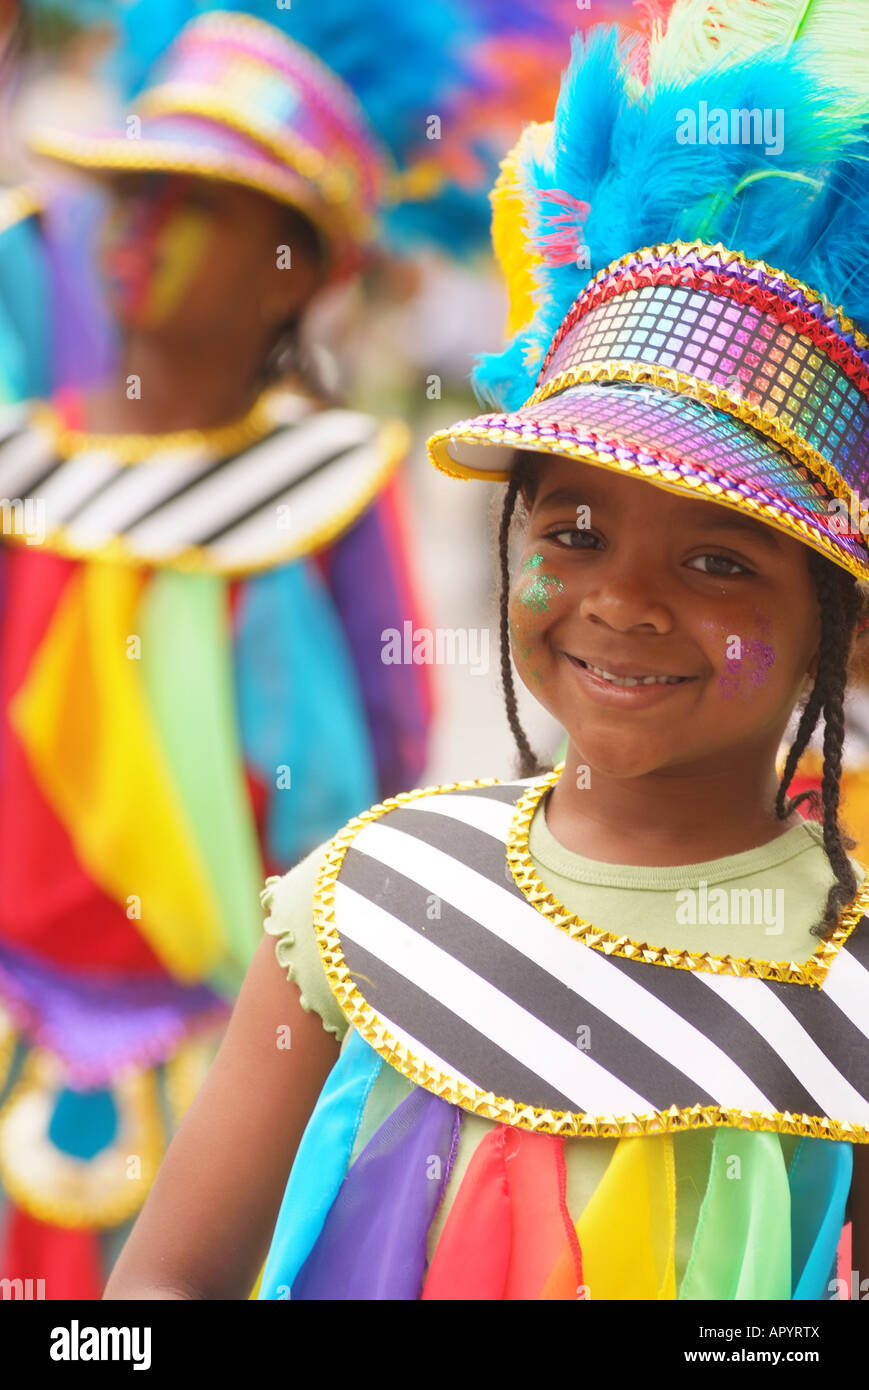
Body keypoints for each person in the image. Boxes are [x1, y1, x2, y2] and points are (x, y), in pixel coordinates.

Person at [103, 12, 869, 1300]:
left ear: (837, 620)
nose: (621, 602)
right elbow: (154, 1297)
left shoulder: (846, 983)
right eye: (572, 531)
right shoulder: (362, 897)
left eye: (720, 561)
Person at [0, 6, 477, 1297]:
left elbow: (379, 762)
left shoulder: (326, 481)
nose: (139, 225)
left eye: (191, 200)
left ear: (292, 268)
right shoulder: (18, 457)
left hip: (228, 1035)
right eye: (132, 189)